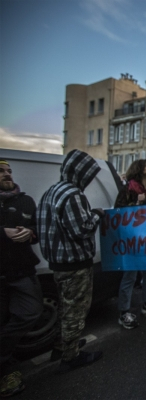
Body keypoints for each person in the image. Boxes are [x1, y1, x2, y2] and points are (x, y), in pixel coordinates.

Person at [37, 150, 104, 373]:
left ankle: (63, 344)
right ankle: (71, 356)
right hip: (74, 264)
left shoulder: (50, 191)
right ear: (80, 173)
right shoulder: (73, 194)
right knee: (76, 310)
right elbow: (81, 230)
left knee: (66, 308)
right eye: (89, 174)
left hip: (57, 264)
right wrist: (96, 214)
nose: (89, 179)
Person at [0, 160, 43, 397]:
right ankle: (7, 369)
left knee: (31, 312)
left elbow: (36, 229)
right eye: (2, 171)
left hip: (22, 270)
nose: (7, 174)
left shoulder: (25, 200)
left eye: (9, 171)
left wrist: (31, 233)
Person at [114, 159, 146, 329]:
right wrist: (137, 203)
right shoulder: (128, 189)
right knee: (130, 276)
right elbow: (118, 212)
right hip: (133, 239)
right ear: (140, 169)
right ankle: (124, 313)